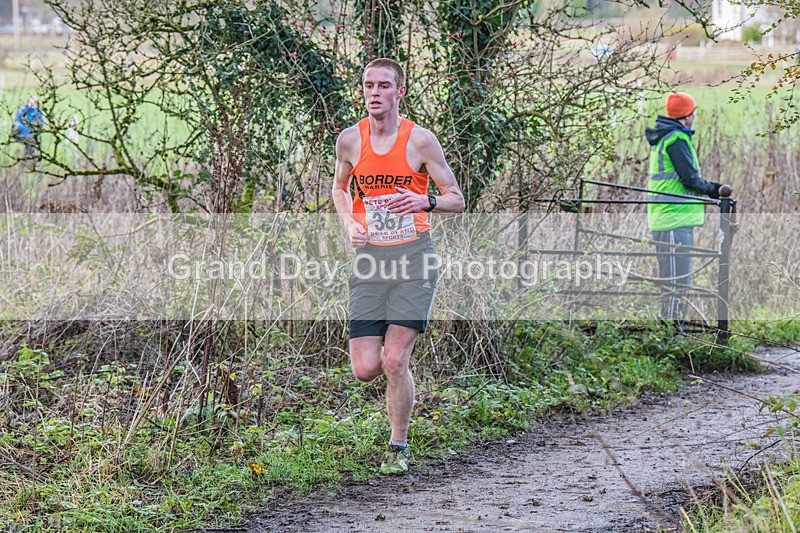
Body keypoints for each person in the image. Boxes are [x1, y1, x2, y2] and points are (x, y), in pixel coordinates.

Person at [331, 58, 465, 474]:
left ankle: (398, 447)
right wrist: (350, 222)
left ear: (399, 92)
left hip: (414, 259)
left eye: (384, 85)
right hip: (370, 259)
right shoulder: (350, 140)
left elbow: (457, 199)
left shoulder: (420, 142)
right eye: (368, 85)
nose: (374, 92)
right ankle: (398, 396)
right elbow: (338, 187)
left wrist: (423, 201)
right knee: (365, 368)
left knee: (394, 360)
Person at [645, 92, 731, 327]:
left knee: (674, 279)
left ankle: (670, 331)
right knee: (677, 281)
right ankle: (672, 333)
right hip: (673, 217)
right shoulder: (676, 140)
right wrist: (716, 190)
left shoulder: (667, 137)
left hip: (670, 216)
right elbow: (690, 179)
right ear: (687, 116)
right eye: (693, 112)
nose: (694, 115)